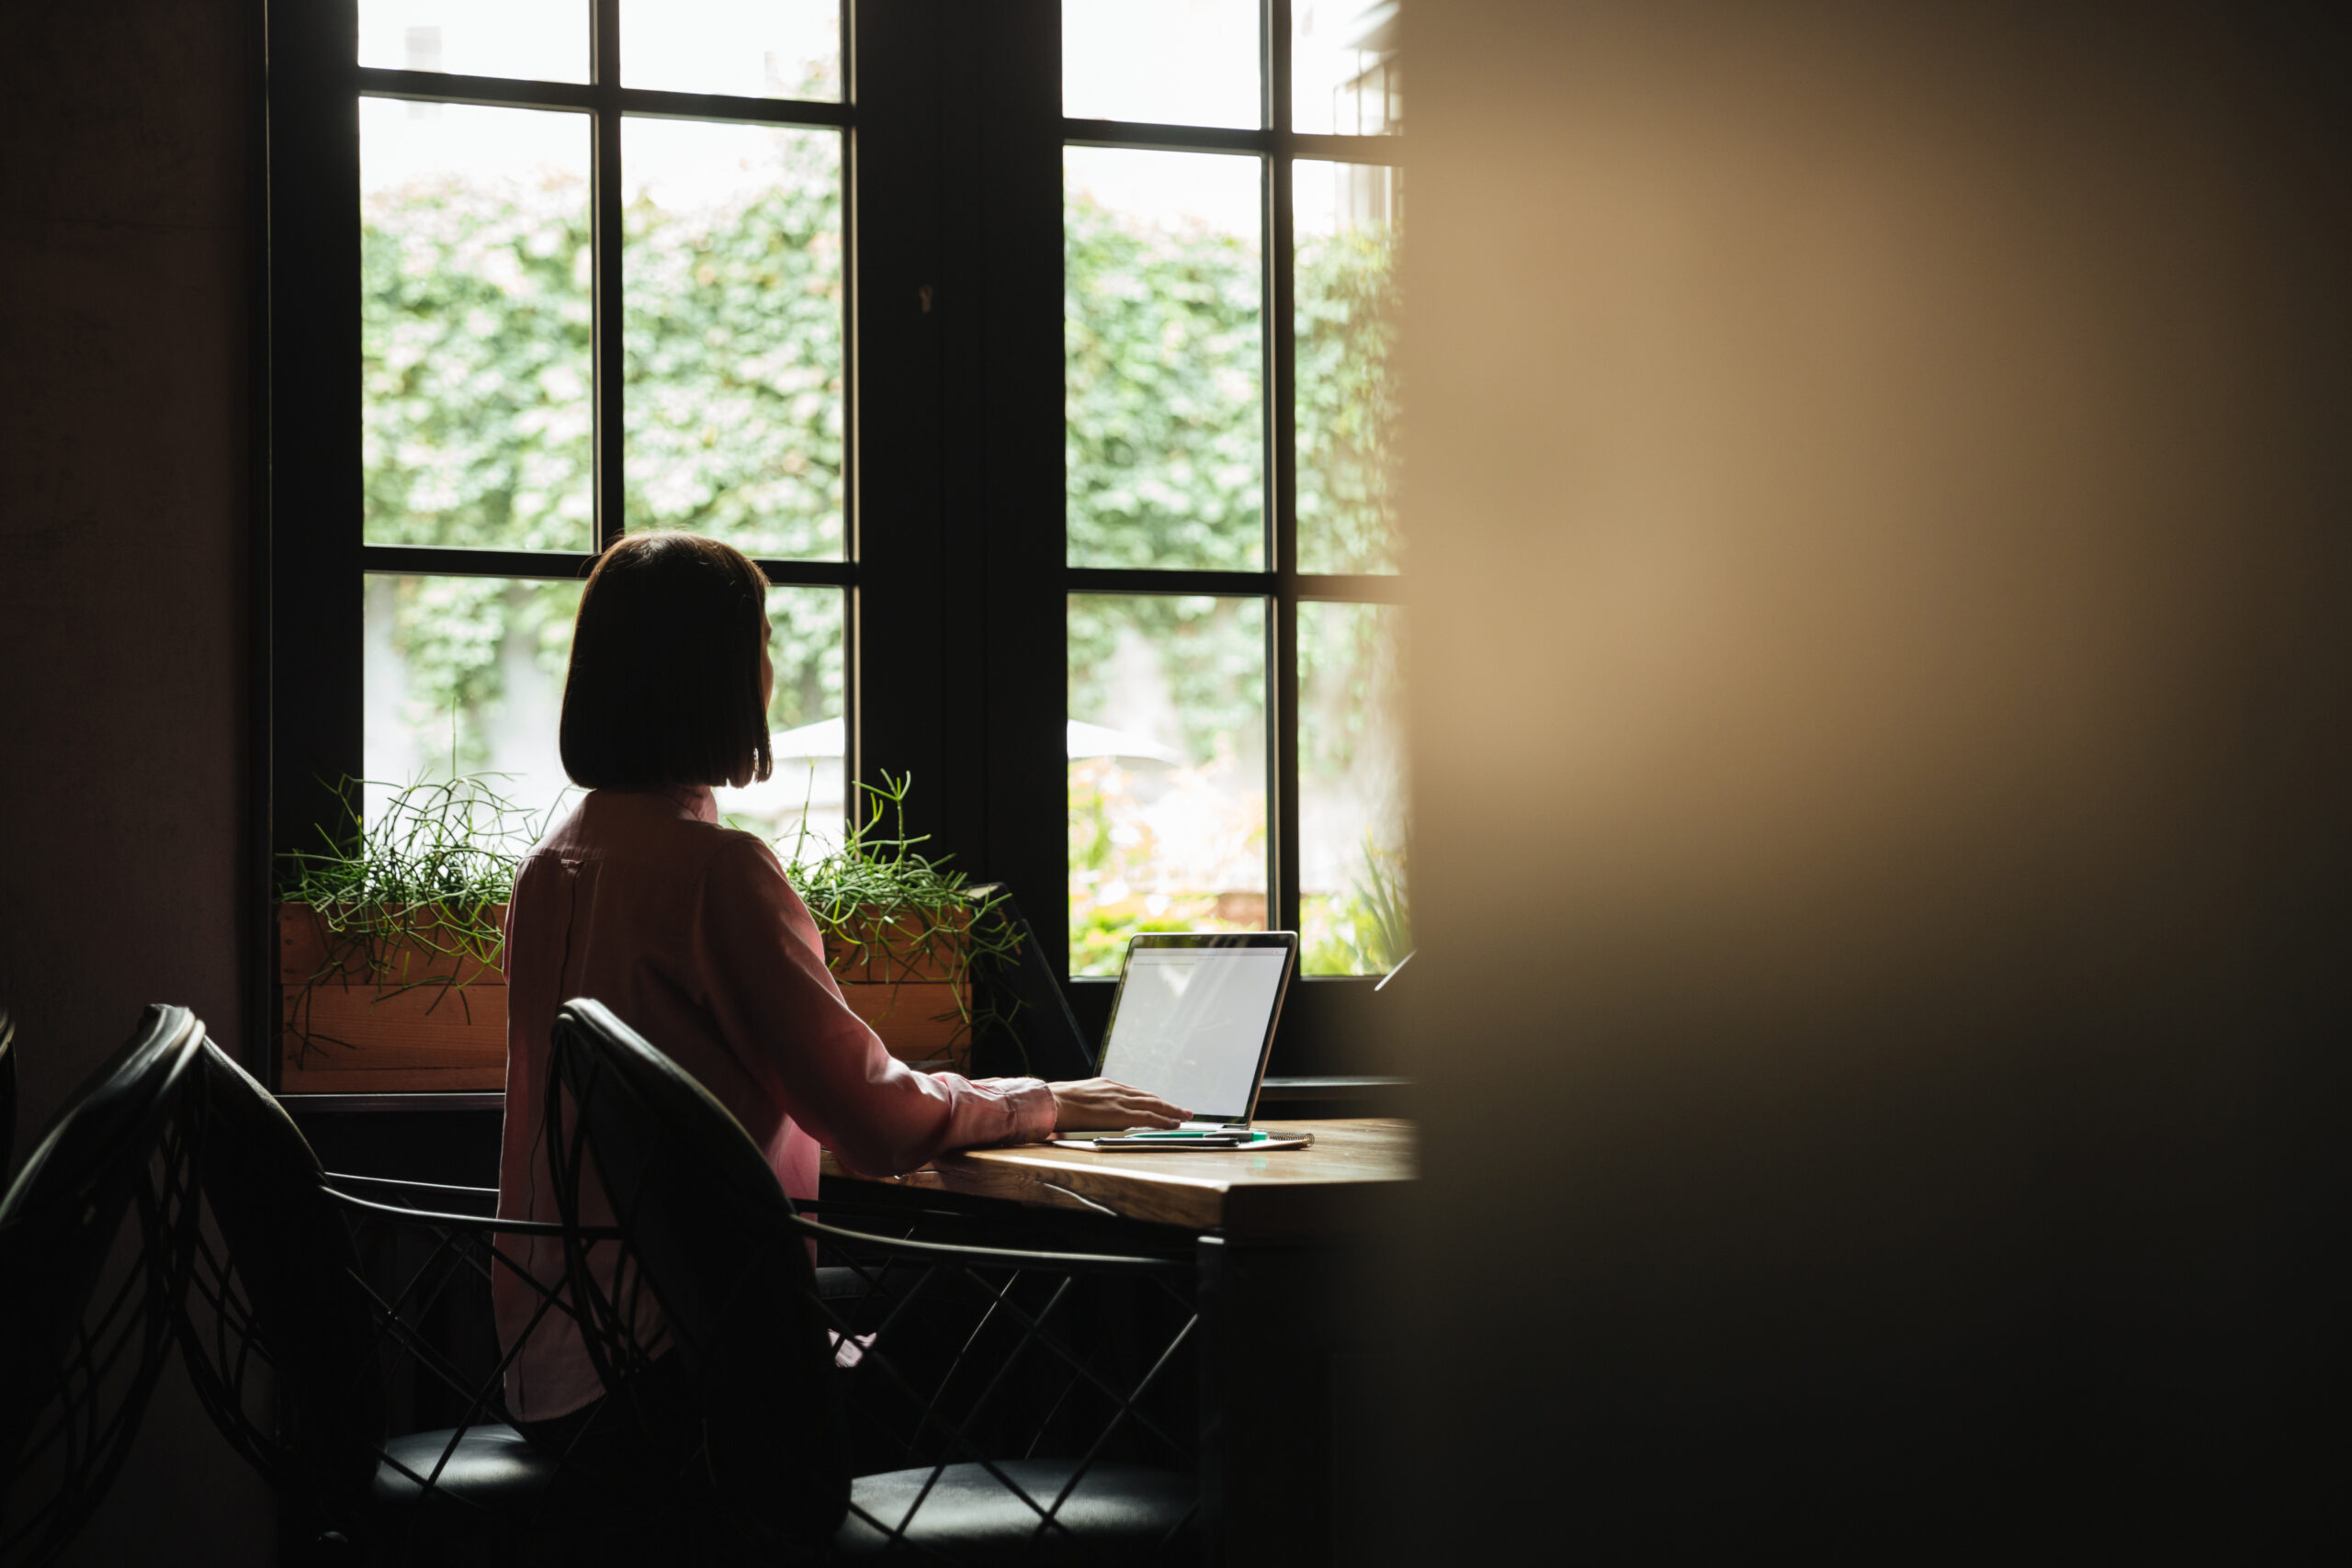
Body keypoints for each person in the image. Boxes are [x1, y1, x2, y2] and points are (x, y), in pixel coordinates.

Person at [492, 532, 1187, 1436]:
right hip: (693, 1372)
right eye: (765, 640)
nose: (772, 665)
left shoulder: (549, 868)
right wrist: (1045, 1100)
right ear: (720, 673)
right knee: (1044, 1308)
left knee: (930, 1298)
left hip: (566, 1355)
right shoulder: (717, 875)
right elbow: (873, 1121)